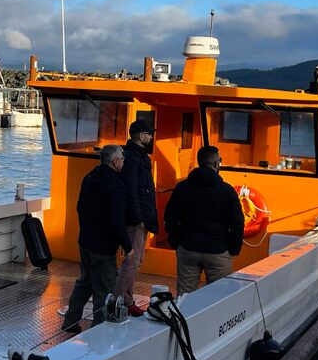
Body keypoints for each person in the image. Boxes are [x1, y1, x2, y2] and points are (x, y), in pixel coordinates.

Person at [61, 144, 131, 333]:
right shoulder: (117, 185)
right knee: (104, 288)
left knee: (84, 282)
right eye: (122, 159)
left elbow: (80, 207)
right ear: (115, 162)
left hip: (85, 240)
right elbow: (116, 219)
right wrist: (127, 245)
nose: (124, 162)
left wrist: (86, 229)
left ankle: (70, 321)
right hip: (104, 245)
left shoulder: (89, 178)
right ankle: (98, 329)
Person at [164, 145, 245, 297]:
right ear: (216, 164)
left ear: (199, 162)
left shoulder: (182, 187)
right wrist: (234, 248)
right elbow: (237, 222)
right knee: (219, 297)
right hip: (218, 250)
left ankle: (186, 320)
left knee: (185, 297)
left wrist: (176, 242)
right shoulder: (227, 191)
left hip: (188, 248)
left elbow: (170, 217)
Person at [116, 118, 158, 315]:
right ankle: (124, 300)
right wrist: (138, 218)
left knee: (134, 259)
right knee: (133, 260)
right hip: (137, 219)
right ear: (141, 136)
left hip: (140, 215)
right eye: (149, 133)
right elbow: (131, 190)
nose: (151, 136)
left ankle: (122, 297)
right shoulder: (133, 158)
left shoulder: (136, 156)